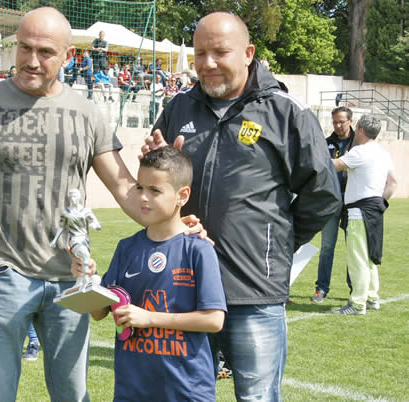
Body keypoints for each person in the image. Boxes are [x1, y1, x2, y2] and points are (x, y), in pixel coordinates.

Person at [0, 8, 163, 401]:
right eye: (24, 48)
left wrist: (170, 207)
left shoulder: (88, 114)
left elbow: (125, 189)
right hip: (1, 275)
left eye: (45, 52)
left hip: (71, 278)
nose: (31, 61)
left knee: (73, 395)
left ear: (68, 57)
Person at [141, 12, 341, 400]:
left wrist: (278, 244)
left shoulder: (285, 111)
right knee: (182, 394)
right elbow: (154, 187)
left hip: (253, 289)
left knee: (256, 396)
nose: (208, 63)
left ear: (248, 53)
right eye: (200, 53)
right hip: (185, 290)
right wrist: (157, 164)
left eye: (220, 52)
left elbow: (324, 193)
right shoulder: (179, 108)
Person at [89, 146, 227, 401]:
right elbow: (98, 313)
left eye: (155, 191)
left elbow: (214, 320)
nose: (143, 197)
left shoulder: (198, 249)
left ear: (182, 195)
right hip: (133, 390)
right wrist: (89, 278)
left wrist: (150, 318)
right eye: (140, 187)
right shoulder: (127, 248)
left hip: (186, 390)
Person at [330, 115, 397, 315]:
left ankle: (358, 303)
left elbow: (334, 165)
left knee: (358, 257)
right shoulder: (383, 153)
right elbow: (393, 182)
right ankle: (371, 297)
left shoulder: (360, 151)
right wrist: (379, 202)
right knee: (369, 256)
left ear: (359, 129)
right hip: (375, 208)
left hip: (359, 210)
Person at [312, 106, 356, 302]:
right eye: (335, 122)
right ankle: (321, 288)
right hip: (331, 201)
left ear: (350, 121)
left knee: (353, 247)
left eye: (341, 121)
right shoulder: (326, 143)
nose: (338, 125)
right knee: (327, 247)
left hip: (353, 202)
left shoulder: (359, 143)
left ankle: (355, 289)